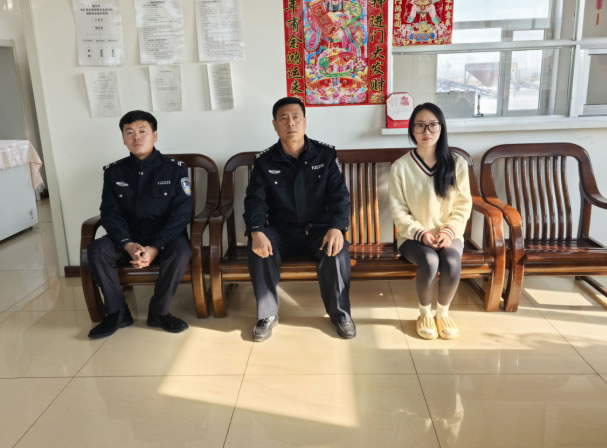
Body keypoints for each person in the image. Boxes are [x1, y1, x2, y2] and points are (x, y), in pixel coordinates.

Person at [244, 97, 355, 342]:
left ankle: (340, 314)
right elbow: (255, 200)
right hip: (281, 232)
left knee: (337, 249)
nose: (290, 123)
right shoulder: (264, 161)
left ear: (305, 121)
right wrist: (256, 230)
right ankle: (267, 315)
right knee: (259, 248)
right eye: (283, 118)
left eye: (296, 117)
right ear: (275, 125)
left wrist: (337, 227)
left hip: (319, 230)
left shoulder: (325, 155)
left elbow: (340, 196)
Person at [87, 110, 192, 339]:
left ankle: (159, 312)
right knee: (97, 249)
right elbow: (109, 213)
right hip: (127, 237)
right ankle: (117, 313)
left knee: (182, 250)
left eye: (142, 131)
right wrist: (127, 244)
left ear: (155, 136)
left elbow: (182, 214)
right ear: (123, 139)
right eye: (129, 132)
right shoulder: (114, 172)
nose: (136, 137)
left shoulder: (175, 169)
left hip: (165, 238)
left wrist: (155, 247)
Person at [389, 103, 472, 340]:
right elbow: (398, 210)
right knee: (429, 260)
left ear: (441, 128)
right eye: (420, 125)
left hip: (449, 234)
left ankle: (442, 314)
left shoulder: (457, 163)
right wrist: (421, 233)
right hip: (413, 237)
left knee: (452, 261)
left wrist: (448, 232)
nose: (427, 131)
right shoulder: (400, 167)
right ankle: (425, 313)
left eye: (433, 125)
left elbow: (463, 205)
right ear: (412, 130)